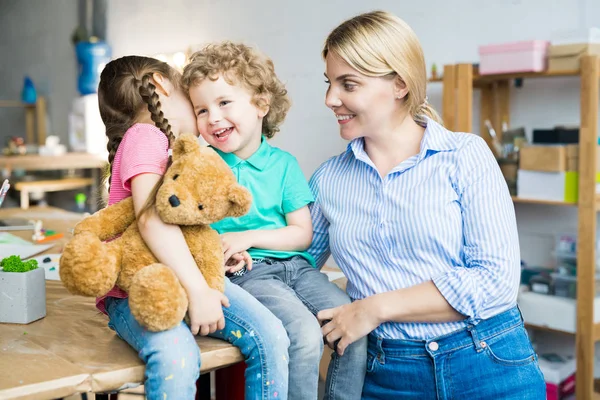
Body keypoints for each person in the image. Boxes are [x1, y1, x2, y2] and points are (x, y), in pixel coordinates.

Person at [310, 10, 546, 399]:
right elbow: (291, 269)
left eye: (347, 84)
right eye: (329, 83)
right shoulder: (328, 181)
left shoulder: (465, 156)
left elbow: (495, 283)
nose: (330, 99)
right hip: (385, 376)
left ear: (400, 84)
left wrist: (373, 308)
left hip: (488, 363)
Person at [182, 41, 367, 400]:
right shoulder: (201, 168)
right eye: (201, 110)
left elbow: (302, 235)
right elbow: (188, 232)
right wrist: (223, 253)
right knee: (303, 333)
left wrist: (248, 236)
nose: (213, 118)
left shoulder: (284, 165)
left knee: (352, 322)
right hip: (247, 274)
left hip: (298, 268)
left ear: (261, 105)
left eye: (223, 103)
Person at [96, 55, 289, 400]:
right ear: (160, 84)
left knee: (271, 334)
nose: (204, 117)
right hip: (137, 293)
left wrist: (212, 256)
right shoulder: (145, 135)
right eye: (195, 103)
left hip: (184, 278)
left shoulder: (167, 147)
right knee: (178, 357)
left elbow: (179, 223)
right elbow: (151, 219)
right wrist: (198, 290)